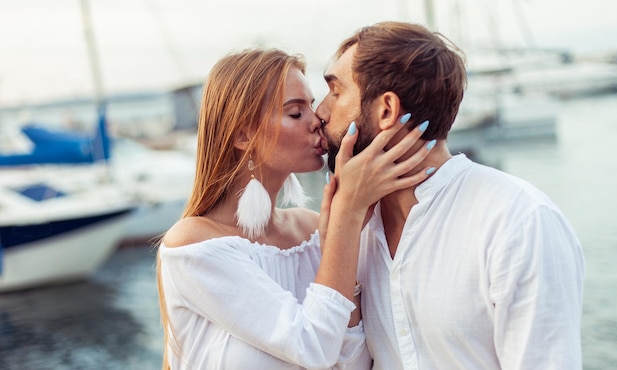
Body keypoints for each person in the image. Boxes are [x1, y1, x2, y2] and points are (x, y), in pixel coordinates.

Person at [316, 21, 585, 369]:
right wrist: (341, 240)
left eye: (336, 92)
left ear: (386, 110)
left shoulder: (518, 221)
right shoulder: (357, 228)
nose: (321, 112)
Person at [155, 48, 434, 369]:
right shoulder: (194, 245)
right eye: (295, 113)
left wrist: (339, 237)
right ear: (244, 134)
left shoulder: (312, 230)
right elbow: (311, 347)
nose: (318, 120)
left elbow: (354, 363)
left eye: (311, 107)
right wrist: (347, 213)